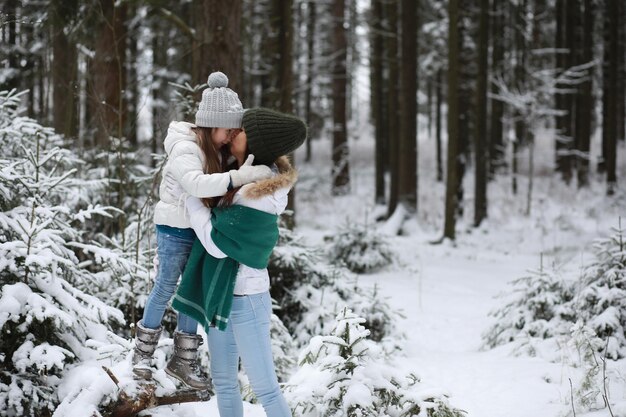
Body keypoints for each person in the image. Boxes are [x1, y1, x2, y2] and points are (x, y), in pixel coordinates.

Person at [132, 72, 273, 390]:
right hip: (173, 228)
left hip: (196, 226)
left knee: (190, 290)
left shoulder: (215, 150)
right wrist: (240, 177)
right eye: (228, 130)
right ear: (212, 124)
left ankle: (183, 360)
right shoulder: (185, 148)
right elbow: (195, 184)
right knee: (166, 286)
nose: (230, 136)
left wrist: (245, 168)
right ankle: (141, 355)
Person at [170, 108, 306, 417]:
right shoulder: (237, 175)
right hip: (222, 294)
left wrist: (193, 198)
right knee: (225, 382)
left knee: (265, 388)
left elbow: (217, 245)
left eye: (241, 129)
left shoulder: (256, 193)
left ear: (256, 143)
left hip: (246, 298)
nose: (233, 131)